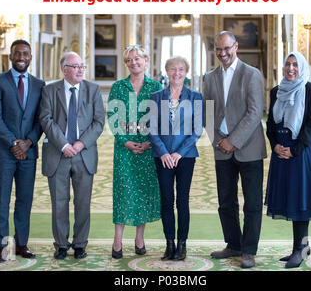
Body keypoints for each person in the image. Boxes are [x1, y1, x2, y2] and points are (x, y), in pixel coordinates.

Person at [203, 31, 267, 269]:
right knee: (225, 201)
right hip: (222, 149)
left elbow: (255, 112)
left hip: (249, 148)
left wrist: (234, 141)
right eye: (218, 50)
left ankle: (248, 250)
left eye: (226, 48)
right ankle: (233, 244)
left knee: (252, 203)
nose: (223, 53)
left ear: (236, 46)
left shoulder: (251, 74)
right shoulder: (209, 77)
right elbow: (207, 112)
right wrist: (219, 140)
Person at [265, 51, 311, 269]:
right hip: (281, 151)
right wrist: (275, 145)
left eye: (295, 65)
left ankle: (299, 249)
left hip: (304, 152)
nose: (290, 68)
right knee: (289, 198)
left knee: (301, 200)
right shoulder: (276, 92)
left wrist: (294, 150)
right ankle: (301, 246)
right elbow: (270, 125)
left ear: (302, 68)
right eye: (287, 64)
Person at [39, 51, 105, 260]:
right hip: (57, 154)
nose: (80, 70)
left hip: (84, 155)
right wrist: (64, 144)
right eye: (75, 66)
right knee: (59, 202)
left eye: (82, 66)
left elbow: (98, 122)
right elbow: (46, 119)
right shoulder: (50, 90)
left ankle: (80, 244)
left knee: (82, 203)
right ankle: (60, 245)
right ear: (64, 69)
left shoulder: (92, 90)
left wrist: (79, 143)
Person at [0, 39, 45, 262]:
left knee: (25, 199)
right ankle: (2, 246)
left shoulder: (40, 85)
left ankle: (21, 244)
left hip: (28, 153)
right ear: (10, 57)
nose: (21, 57)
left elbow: (41, 119)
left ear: (31, 57)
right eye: (17, 54)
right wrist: (13, 143)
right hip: (4, 152)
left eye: (25, 54)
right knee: (2, 199)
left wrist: (28, 142)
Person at [107, 45, 161, 259]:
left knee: (143, 192)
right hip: (124, 149)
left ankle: (140, 239)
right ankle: (117, 241)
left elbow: (160, 120)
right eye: (130, 60)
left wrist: (149, 143)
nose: (134, 62)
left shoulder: (156, 86)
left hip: (148, 149)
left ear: (146, 60)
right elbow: (112, 118)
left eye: (137, 58)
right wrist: (125, 141)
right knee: (123, 193)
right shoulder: (118, 87)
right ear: (126, 64)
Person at [148, 56, 203, 261]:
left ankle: (182, 245)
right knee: (166, 200)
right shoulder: (156, 97)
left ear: (186, 72)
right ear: (167, 71)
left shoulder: (195, 97)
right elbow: (152, 129)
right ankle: (169, 244)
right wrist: (163, 152)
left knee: (182, 200)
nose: (176, 73)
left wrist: (178, 153)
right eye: (172, 69)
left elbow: (197, 130)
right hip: (162, 157)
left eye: (180, 69)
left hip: (185, 157)